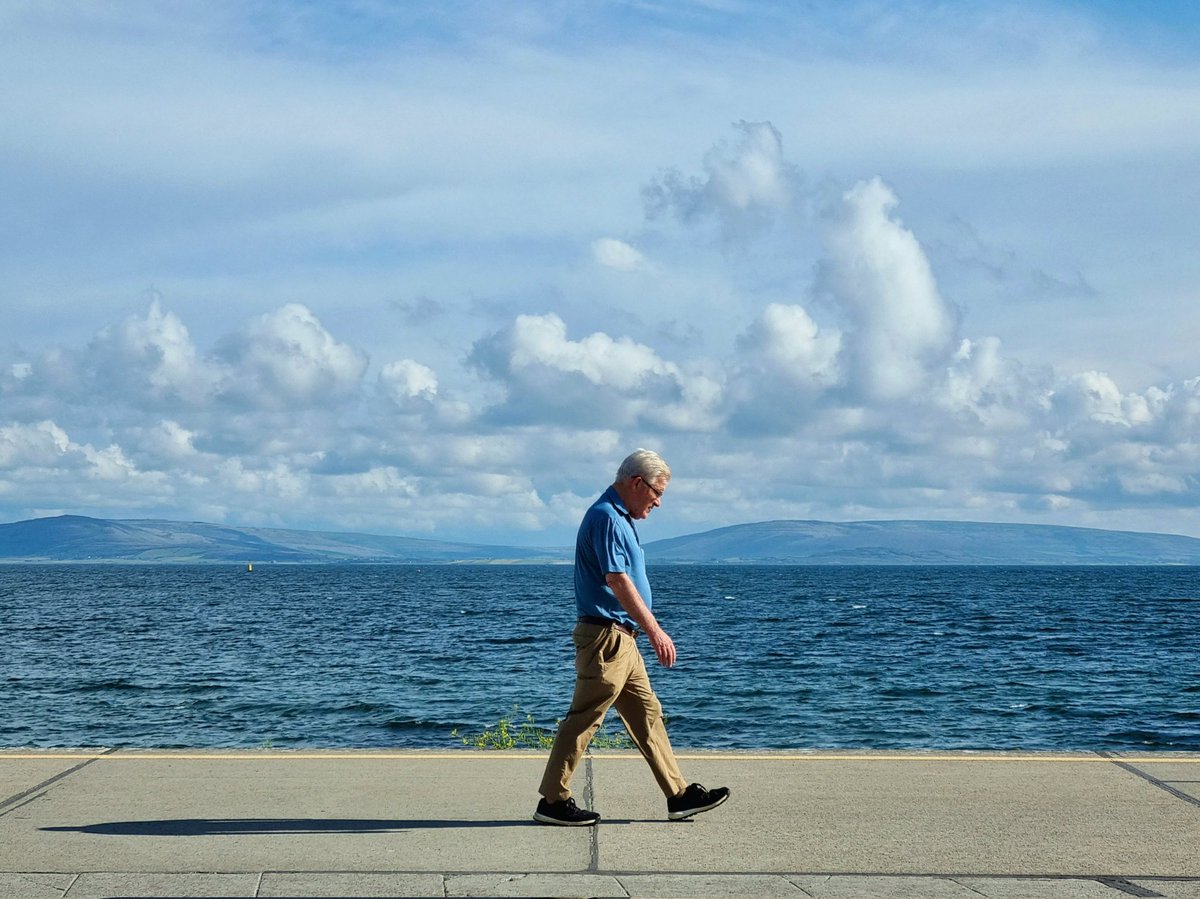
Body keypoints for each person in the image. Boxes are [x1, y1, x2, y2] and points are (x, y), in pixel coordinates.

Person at [534, 449, 730, 825]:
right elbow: (617, 579)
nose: (659, 502)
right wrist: (656, 631)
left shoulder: (620, 518)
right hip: (607, 639)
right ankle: (553, 802)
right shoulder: (606, 517)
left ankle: (678, 795)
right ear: (636, 483)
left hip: (622, 639)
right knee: (585, 718)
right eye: (657, 492)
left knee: (647, 715)